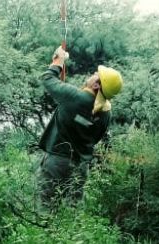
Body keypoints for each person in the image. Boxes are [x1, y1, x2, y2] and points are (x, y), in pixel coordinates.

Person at [38, 46, 123, 207]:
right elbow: (96, 138)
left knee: (46, 209)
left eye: (95, 75)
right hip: (80, 167)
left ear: (97, 85)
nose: (92, 75)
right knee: (72, 213)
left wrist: (58, 61)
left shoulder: (74, 97)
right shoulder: (106, 113)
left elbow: (47, 78)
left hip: (56, 162)